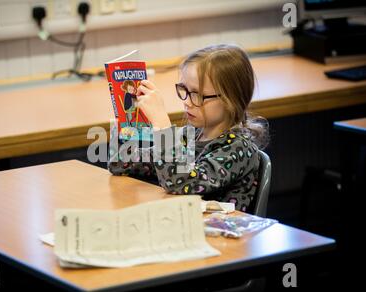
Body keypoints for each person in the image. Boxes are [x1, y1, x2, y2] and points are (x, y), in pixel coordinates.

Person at [108, 44, 269, 212]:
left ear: (231, 99)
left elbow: (181, 182)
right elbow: (120, 164)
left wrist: (163, 127)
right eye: (184, 89)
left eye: (197, 95)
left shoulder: (239, 149)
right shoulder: (188, 136)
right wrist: (128, 125)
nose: (186, 101)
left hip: (218, 235)